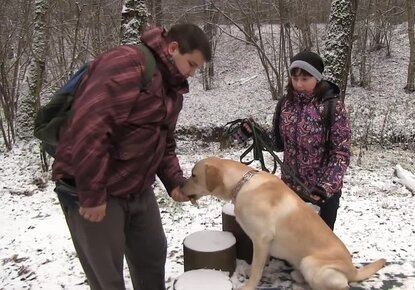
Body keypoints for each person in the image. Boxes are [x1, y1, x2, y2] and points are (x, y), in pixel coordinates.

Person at [52, 23, 211, 290]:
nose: (192, 73)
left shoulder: (172, 88)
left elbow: (163, 141)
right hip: (94, 190)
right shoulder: (126, 63)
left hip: (137, 188)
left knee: (152, 255)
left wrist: (174, 182)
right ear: (173, 48)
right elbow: (90, 128)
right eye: (191, 64)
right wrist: (92, 193)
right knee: (108, 278)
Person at [242, 51, 351, 230]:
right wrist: (255, 133)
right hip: (290, 191)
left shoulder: (332, 106)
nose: (299, 84)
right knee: (289, 243)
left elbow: (341, 154)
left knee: (317, 246)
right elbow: (277, 143)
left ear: (317, 78)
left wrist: (325, 186)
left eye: (305, 78)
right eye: (295, 78)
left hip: (322, 195)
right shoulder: (285, 104)